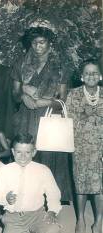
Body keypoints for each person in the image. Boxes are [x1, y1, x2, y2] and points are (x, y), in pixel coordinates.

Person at [11, 22, 73, 202]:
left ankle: (51, 201)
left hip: (49, 118)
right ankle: (25, 198)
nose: (37, 47)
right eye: (34, 43)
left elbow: (62, 100)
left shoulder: (60, 65)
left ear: (50, 43)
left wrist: (39, 102)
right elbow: (14, 95)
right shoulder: (21, 63)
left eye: (42, 42)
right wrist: (23, 95)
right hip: (25, 118)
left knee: (48, 156)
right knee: (26, 154)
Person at [0, 133, 62, 233]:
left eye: (28, 152)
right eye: (19, 152)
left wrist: (52, 211)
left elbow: (53, 193)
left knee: (53, 229)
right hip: (14, 217)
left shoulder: (43, 170)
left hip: (37, 215)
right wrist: (5, 198)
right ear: (13, 151)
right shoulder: (5, 170)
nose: (23, 157)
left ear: (34, 152)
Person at [65, 59, 103, 233]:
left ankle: (99, 221)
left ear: (100, 76)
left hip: (101, 147)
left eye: (95, 72)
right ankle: (80, 219)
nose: (91, 76)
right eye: (87, 73)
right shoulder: (73, 94)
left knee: (100, 185)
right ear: (81, 76)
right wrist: (86, 117)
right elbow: (68, 122)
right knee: (80, 184)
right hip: (80, 147)